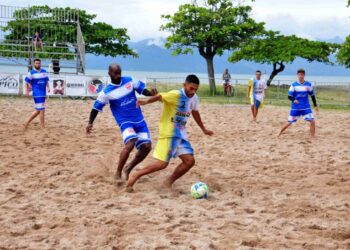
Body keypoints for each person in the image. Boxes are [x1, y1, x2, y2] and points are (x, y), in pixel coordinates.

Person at [126, 74, 214, 192]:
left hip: (181, 134)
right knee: (162, 164)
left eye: (195, 89)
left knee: (189, 161)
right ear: (185, 85)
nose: (193, 92)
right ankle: (136, 175)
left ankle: (168, 182)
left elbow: (195, 112)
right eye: (191, 88)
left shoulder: (194, 98)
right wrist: (146, 101)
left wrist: (203, 129)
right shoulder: (176, 94)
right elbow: (160, 96)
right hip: (169, 132)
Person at [86, 63, 157, 182]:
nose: (118, 75)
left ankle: (128, 168)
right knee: (130, 143)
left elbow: (143, 90)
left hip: (139, 120)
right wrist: (90, 123)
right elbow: (95, 108)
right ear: (109, 73)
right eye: (115, 73)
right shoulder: (106, 92)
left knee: (147, 147)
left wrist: (150, 93)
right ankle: (118, 172)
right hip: (125, 122)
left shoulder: (130, 80)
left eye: (119, 73)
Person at [278, 69, 319, 138]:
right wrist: (294, 100)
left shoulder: (308, 84)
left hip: (305, 106)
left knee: (312, 121)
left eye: (302, 75)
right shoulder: (294, 85)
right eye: (299, 75)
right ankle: (279, 132)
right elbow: (289, 96)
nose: (300, 76)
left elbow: (312, 95)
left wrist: (315, 106)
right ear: (297, 75)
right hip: (296, 107)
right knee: (289, 122)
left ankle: (313, 137)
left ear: (304, 75)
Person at [24, 58, 50, 130]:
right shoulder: (31, 73)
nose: (38, 64)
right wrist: (27, 91)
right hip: (36, 93)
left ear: (40, 64)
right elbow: (26, 82)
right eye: (36, 63)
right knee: (42, 110)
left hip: (43, 93)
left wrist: (48, 87)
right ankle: (43, 127)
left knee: (38, 110)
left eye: (39, 63)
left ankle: (26, 123)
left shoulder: (44, 71)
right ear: (34, 64)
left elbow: (46, 81)